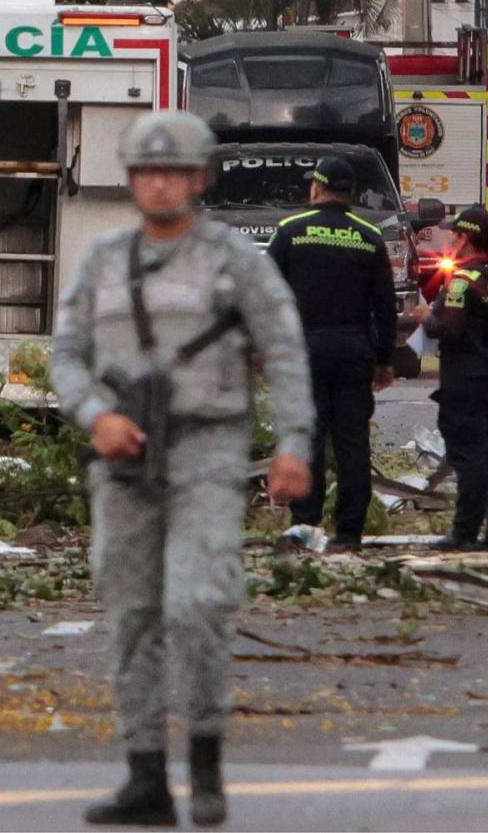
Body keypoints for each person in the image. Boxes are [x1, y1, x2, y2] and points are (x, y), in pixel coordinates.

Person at [51, 111, 314, 827]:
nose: (160, 184)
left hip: (207, 449)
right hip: (123, 454)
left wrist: (294, 443)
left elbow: (285, 349)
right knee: (132, 614)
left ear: (199, 179)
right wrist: (94, 414)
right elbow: (66, 356)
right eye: (146, 173)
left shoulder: (237, 262)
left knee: (198, 602)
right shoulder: (104, 260)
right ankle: (145, 778)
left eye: (173, 173)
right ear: (132, 181)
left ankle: (204, 762)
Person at [268, 156, 397, 553]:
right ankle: (350, 533)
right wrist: (385, 360)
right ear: (351, 194)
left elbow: (266, 296)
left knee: (309, 436)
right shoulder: (369, 235)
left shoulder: (290, 230)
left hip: (304, 348)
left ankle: (306, 524)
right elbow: (384, 304)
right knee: (352, 442)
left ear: (316, 188)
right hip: (353, 349)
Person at [411, 207, 488, 551]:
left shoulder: (462, 279)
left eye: (454, 235)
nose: (450, 240)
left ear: (466, 238)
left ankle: (465, 532)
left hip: (466, 380)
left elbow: (450, 331)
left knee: (469, 456)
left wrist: (428, 317)